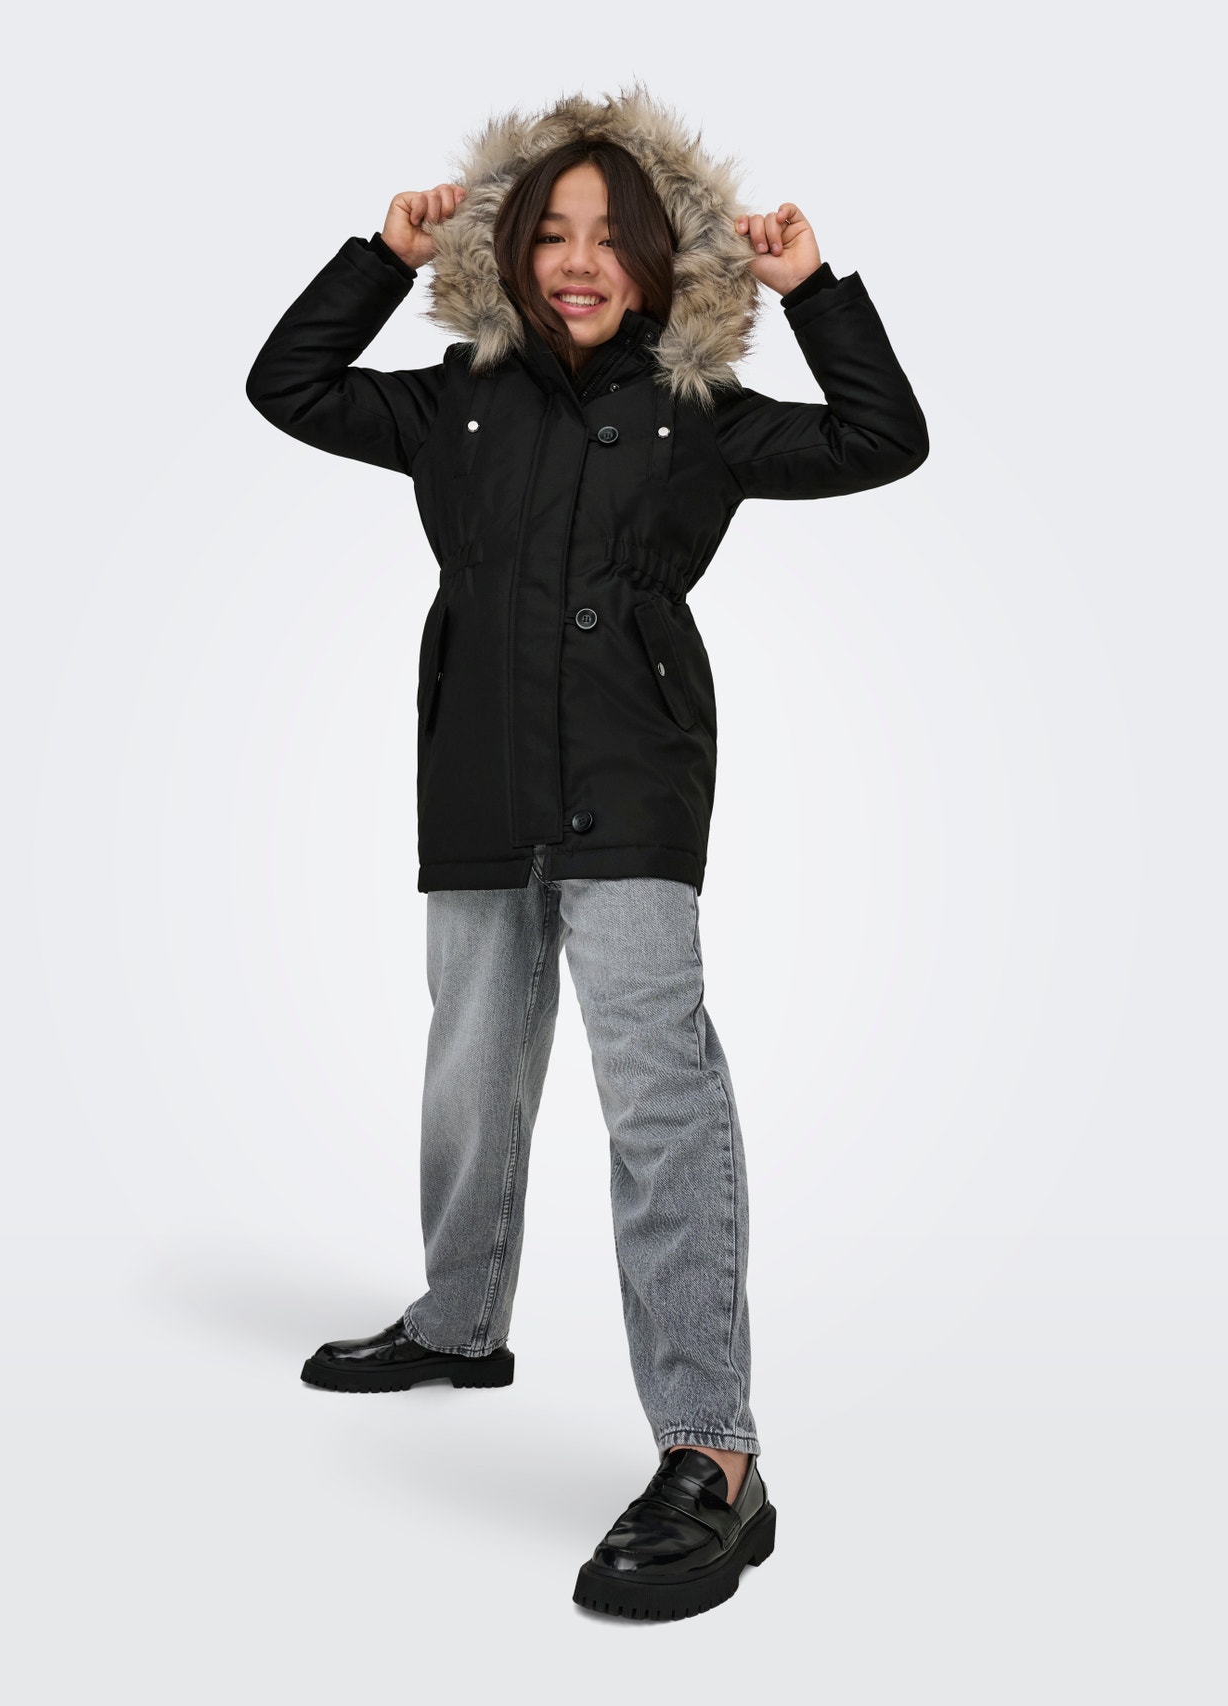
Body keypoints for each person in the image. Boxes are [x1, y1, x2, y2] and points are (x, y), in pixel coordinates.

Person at [244, 83, 928, 1622]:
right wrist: (380, 255)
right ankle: (458, 1320)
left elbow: (885, 438)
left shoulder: (700, 414)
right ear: (508, 250)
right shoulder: (455, 403)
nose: (576, 261)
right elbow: (285, 384)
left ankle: (714, 1452)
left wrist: (814, 289)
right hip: (478, 776)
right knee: (471, 1063)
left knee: (656, 1101)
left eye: (611, 236)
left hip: (631, 784)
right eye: (549, 231)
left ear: (662, 260)